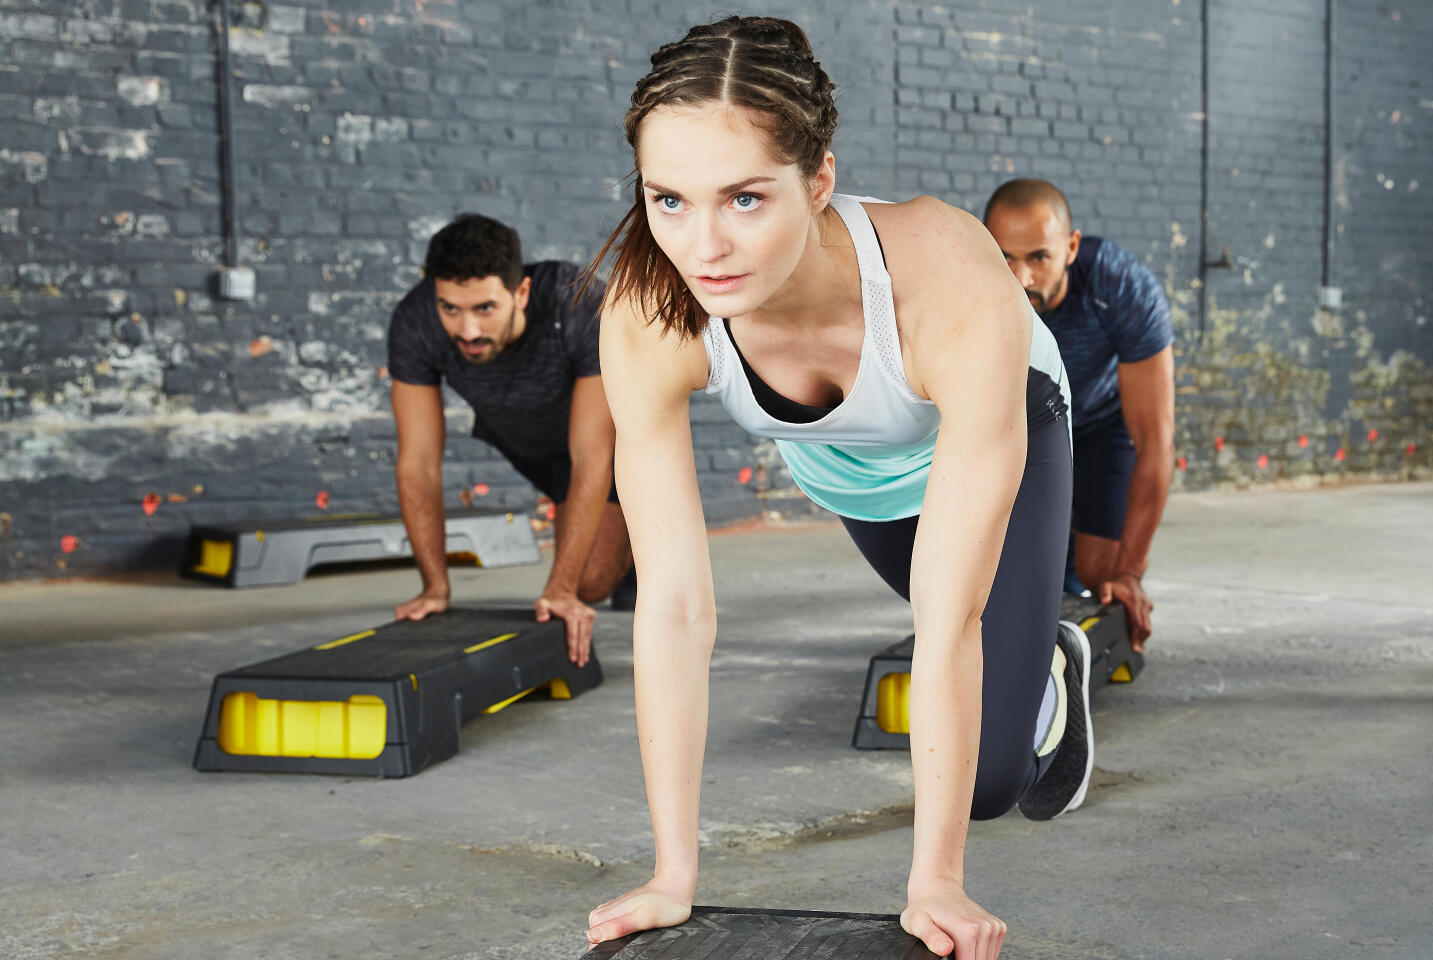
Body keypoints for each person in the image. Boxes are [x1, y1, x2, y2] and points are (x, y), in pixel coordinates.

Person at [579, 17, 1088, 960]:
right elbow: (677, 608)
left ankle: (1048, 650)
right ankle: (1036, 637)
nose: (705, 246)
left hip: (1004, 421)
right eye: (670, 200)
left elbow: (945, 622)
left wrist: (936, 880)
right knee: (966, 649)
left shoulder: (946, 280)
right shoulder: (650, 312)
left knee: (987, 775)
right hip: (851, 468)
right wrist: (671, 874)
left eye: (743, 198)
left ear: (817, 182)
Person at [386, 214, 633, 667]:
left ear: (520, 293)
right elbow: (417, 463)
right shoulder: (416, 321)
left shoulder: (574, 301)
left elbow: (590, 455)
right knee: (578, 564)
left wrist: (560, 588)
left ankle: (637, 544)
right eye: (450, 309)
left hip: (609, 447)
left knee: (587, 584)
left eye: (484, 309)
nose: (468, 331)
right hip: (525, 441)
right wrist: (435, 586)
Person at [983, 179, 1174, 652]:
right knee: (1007, 573)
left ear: (1071, 248)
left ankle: (1076, 566)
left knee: (1102, 574)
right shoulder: (972, 284)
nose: (1021, 277)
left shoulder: (1123, 288)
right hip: (1022, 423)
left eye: (1038, 258)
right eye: (1005, 256)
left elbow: (1156, 441)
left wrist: (1130, 572)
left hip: (1099, 424)